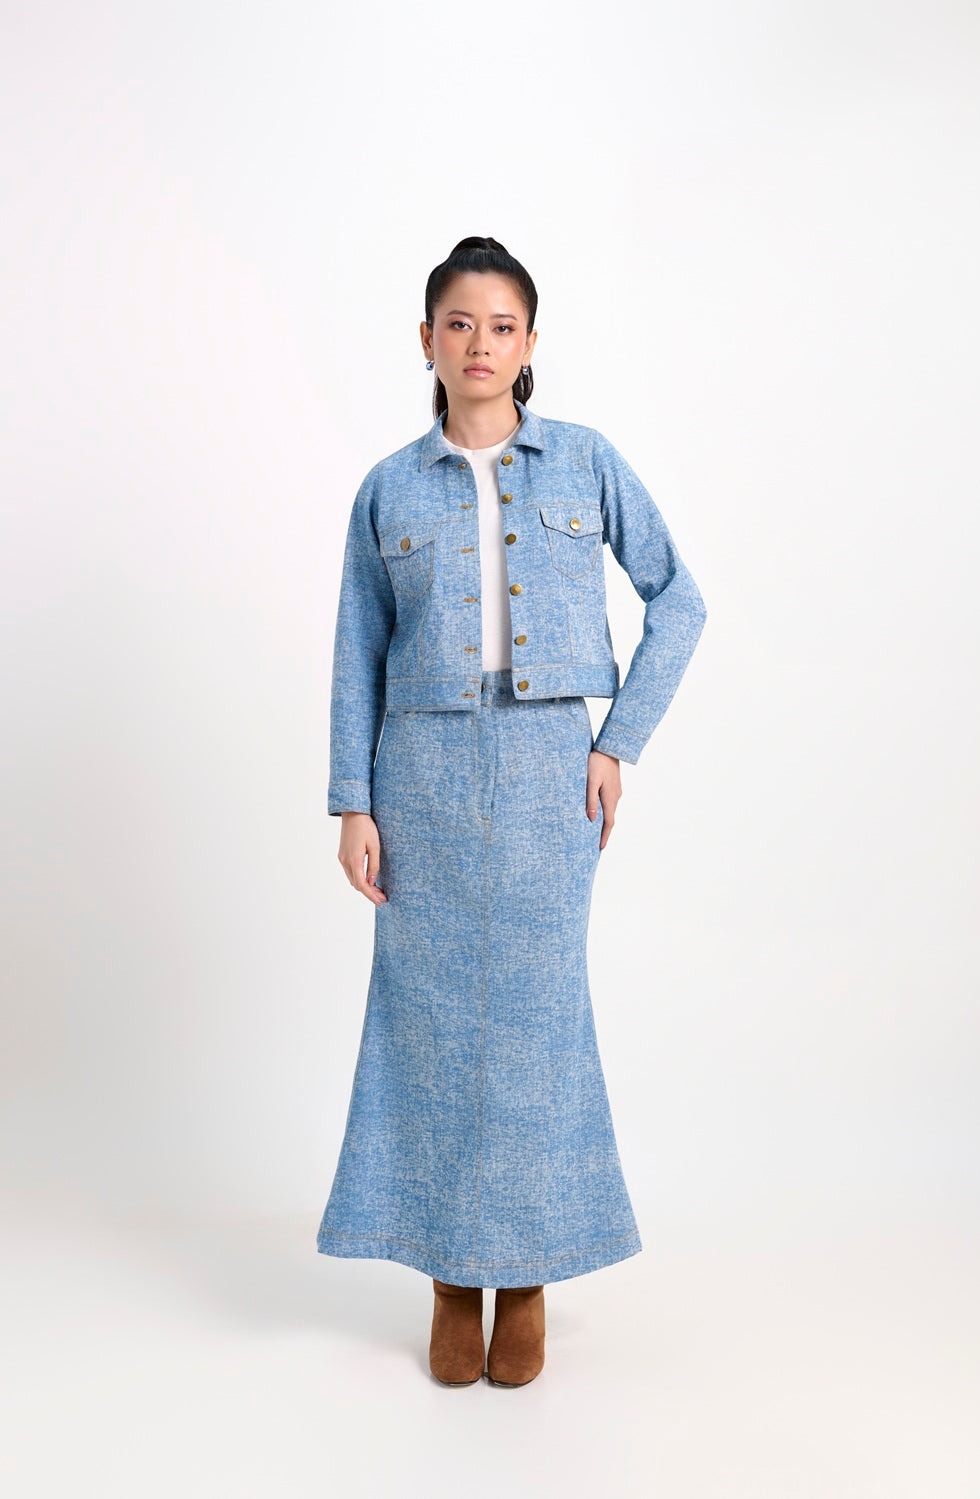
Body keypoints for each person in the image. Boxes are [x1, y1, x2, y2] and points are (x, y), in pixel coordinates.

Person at [315, 235, 708, 1388]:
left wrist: (616, 740)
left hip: (548, 769)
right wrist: (352, 800)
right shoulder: (387, 486)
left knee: (537, 1022)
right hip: (421, 774)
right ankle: (450, 1276)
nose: (479, 344)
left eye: (500, 326)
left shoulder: (585, 460)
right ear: (426, 339)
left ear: (529, 342)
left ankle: (525, 1274)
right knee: (427, 1021)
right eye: (458, 323)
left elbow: (679, 599)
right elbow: (356, 649)